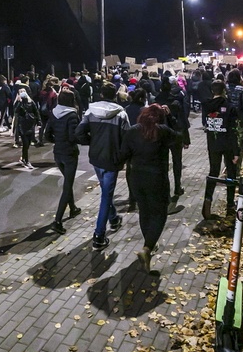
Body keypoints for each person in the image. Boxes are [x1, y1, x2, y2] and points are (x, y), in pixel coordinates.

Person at [119, 104, 179, 272]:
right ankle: (147, 248)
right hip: (156, 178)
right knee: (160, 213)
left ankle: (149, 245)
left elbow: (123, 155)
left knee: (144, 211)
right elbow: (179, 138)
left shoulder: (132, 131)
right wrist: (171, 118)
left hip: (136, 177)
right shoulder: (163, 131)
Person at [75, 83, 130, 250]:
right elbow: (127, 138)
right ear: (115, 96)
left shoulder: (91, 111)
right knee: (106, 196)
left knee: (107, 193)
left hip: (96, 157)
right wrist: (124, 157)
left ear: (100, 94)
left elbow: (79, 133)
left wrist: (92, 142)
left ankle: (113, 219)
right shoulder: (120, 113)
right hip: (112, 159)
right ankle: (99, 235)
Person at [202, 80, 243, 218]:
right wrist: (236, 151)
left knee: (213, 171)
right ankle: (230, 204)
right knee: (230, 173)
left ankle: (207, 201)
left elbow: (204, 123)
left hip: (212, 144)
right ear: (224, 90)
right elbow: (233, 131)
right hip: (227, 145)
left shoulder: (206, 106)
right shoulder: (230, 107)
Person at [49, 91, 82, 234]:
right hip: (69, 153)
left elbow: (46, 134)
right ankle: (57, 221)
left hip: (58, 153)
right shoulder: (72, 115)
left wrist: (57, 141)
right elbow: (73, 136)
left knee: (68, 181)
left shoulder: (54, 113)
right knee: (67, 186)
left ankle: (73, 208)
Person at [13, 89, 41, 169]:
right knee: (25, 143)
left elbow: (36, 111)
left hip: (30, 125)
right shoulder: (18, 103)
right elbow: (16, 111)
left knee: (28, 144)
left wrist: (39, 122)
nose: (23, 93)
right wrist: (19, 102)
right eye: (20, 92)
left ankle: (23, 158)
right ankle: (26, 161)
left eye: (23, 91)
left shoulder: (31, 102)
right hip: (22, 126)